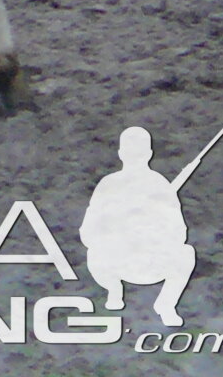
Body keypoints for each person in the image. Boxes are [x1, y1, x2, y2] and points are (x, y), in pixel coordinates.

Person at [82, 126, 199, 327]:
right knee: (94, 252)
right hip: (117, 262)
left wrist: (150, 232)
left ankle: (166, 304)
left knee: (186, 253)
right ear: (149, 154)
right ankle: (114, 290)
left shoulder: (159, 186)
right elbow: (89, 232)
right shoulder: (109, 185)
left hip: (152, 261)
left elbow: (178, 233)